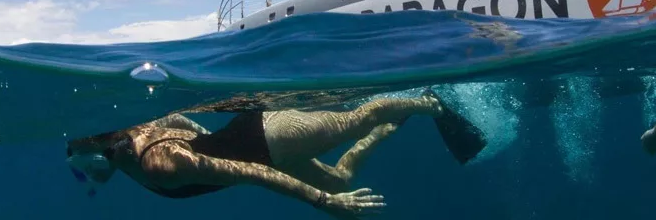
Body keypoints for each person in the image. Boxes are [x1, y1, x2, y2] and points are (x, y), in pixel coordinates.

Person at [65, 89, 486, 219]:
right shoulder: (134, 137)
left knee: (360, 116)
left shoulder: (158, 163)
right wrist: (203, 135)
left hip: (268, 140)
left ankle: (429, 102)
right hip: (254, 146)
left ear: (102, 152)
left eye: (84, 170)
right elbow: (181, 120)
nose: (87, 180)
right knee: (341, 179)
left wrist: (325, 205)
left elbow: (250, 172)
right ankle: (378, 136)